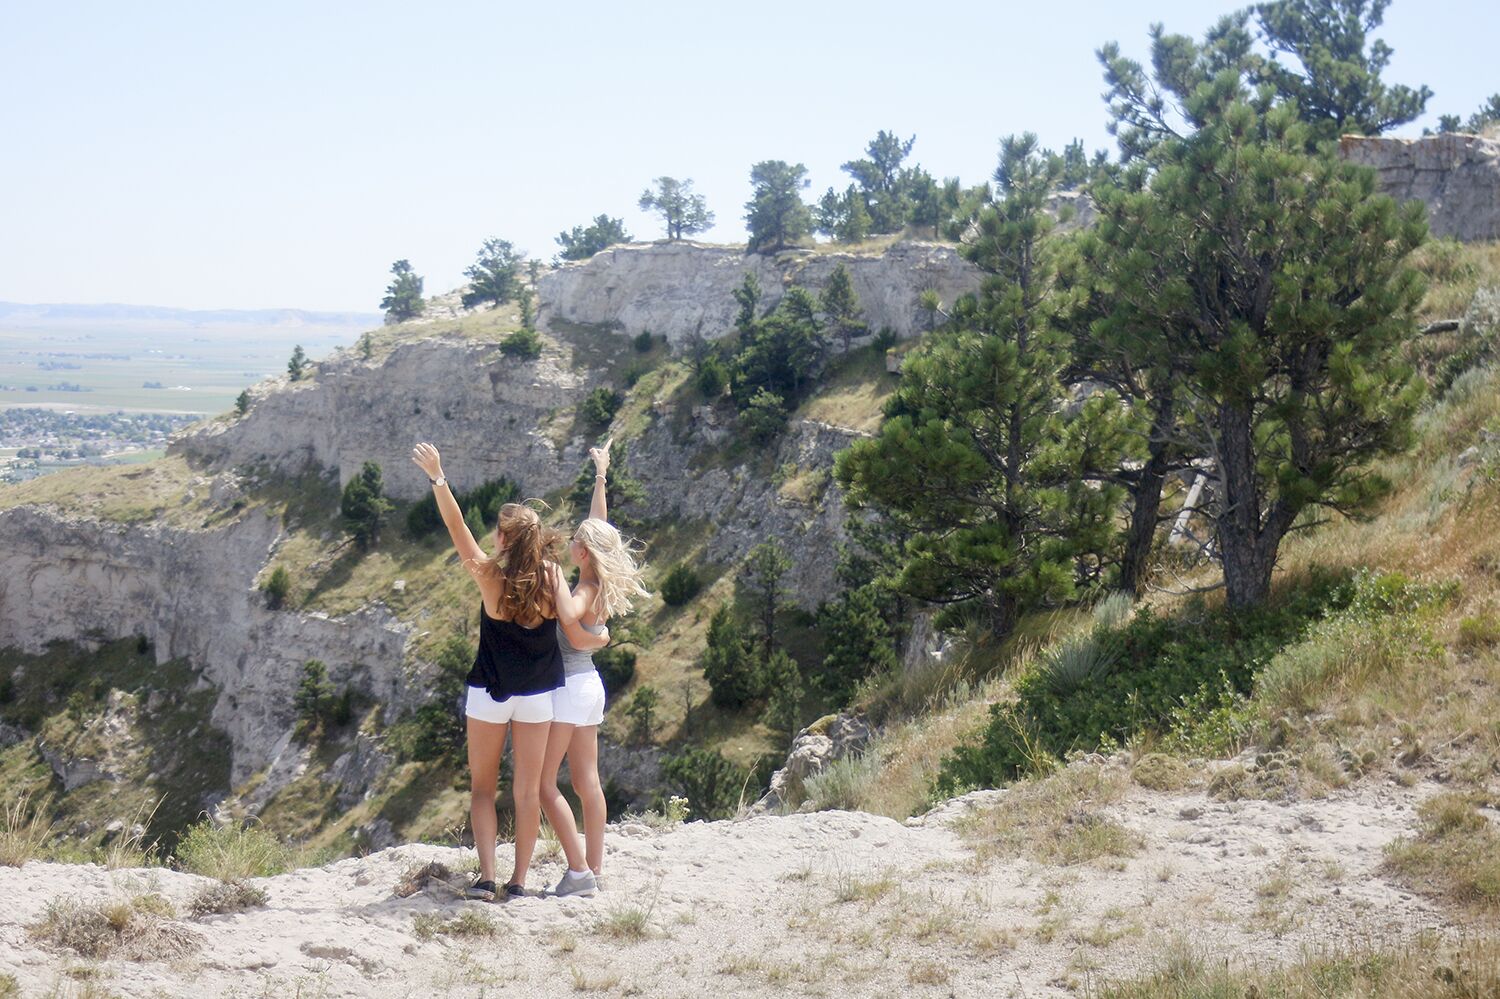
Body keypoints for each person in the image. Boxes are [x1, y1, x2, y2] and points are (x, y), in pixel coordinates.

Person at [410, 442, 608, 902]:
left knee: (483, 788)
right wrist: (598, 637)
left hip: (489, 692)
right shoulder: (553, 576)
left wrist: (439, 478)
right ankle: (518, 883)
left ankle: (485, 877)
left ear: (502, 539)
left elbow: (455, 526)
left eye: (497, 533)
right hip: (539, 697)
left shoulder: (488, 576)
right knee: (527, 792)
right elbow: (575, 621)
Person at [540, 438, 650, 897]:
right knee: (588, 782)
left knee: (544, 785)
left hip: (568, 687)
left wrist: (546, 571)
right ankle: (596, 870)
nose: (569, 545)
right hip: (590, 686)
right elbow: (599, 525)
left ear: (584, 552)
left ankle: (579, 870)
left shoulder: (583, 589)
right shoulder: (597, 581)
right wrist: (601, 475)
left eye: (575, 542)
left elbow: (567, 614)